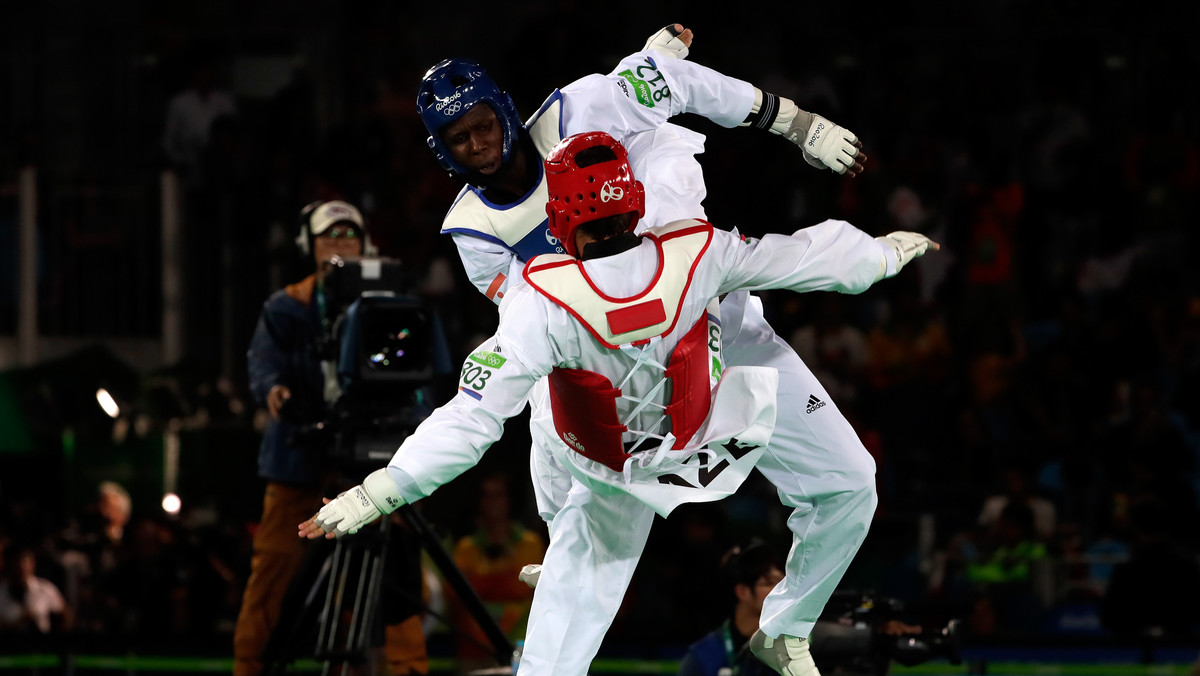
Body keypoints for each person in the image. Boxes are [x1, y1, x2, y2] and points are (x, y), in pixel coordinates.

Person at [300, 131, 938, 676]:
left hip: (627, 461)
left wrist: (379, 491)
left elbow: (473, 418)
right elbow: (798, 257)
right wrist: (879, 256)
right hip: (677, 440)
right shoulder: (698, 250)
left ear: (558, 219)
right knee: (851, 483)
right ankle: (576, 553)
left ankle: (781, 629)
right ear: (635, 201)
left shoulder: (538, 303)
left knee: (553, 639)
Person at [413, 25, 881, 673]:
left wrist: (795, 124)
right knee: (544, 393)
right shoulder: (473, 231)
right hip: (631, 368)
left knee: (852, 480)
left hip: (717, 323)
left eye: (483, 125)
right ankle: (562, 552)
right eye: (459, 139)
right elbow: (537, 323)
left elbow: (681, 87)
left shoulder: (584, 108)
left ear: (504, 108)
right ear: (444, 152)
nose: (478, 145)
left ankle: (786, 625)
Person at [234, 200, 427, 676]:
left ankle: (409, 669)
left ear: (366, 245)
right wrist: (274, 391)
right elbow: (263, 362)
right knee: (275, 570)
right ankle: (250, 667)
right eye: (329, 237)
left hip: (374, 459)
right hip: (298, 458)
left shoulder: (390, 301)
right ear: (308, 245)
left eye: (349, 236)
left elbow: (415, 368)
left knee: (398, 572)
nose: (339, 246)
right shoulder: (286, 306)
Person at [678, 540, 786, 676]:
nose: (781, 590)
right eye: (770, 583)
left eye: (783, 582)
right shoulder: (703, 658)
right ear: (742, 592)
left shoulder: (798, 647)